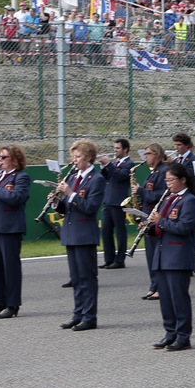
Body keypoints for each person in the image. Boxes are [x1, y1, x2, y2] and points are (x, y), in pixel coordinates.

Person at [149, 162, 195, 350]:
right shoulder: (169, 199)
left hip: (178, 257)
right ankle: (170, 333)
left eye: (171, 180)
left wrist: (160, 221)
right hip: (162, 255)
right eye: (166, 180)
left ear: (182, 180)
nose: (168, 183)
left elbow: (184, 227)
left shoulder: (189, 200)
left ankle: (183, 336)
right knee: (166, 300)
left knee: (179, 298)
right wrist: (149, 227)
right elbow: (162, 228)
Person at [0, 145, 32, 319]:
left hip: (9, 226)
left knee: (10, 266)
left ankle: (12, 304)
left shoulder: (21, 177)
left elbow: (16, 198)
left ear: (14, 159)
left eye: (3, 157)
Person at [56, 139, 103, 331]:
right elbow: (66, 207)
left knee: (87, 277)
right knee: (76, 278)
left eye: (78, 157)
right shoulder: (74, 177)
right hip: (71, 232)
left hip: (84, 233)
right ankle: (78, 313)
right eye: (73, 157)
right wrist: (56, 200)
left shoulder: (96, 179)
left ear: (89, 157)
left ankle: (89, 317)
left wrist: (70, 193)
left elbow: (91, 208)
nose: (74, 161)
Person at [136, 144, 169, 301]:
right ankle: (153, 286)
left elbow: (160, 196)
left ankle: (160, 287)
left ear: (157, 154)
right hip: (147, 217)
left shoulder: (163, 171)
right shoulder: (153, 172)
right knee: (150, 254)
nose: (145, 157)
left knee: (157, 254)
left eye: (148, 154)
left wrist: (140, 191)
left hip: (156, 218)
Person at [99, 138, 134, 269]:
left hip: (119, 201)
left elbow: (120, 177)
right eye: (114, 148)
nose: (115, 150)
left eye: (118, 148)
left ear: (125, 149)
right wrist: (103, 165)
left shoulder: (129, 163)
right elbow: (106, 177)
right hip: (108, 200)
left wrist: (109, 164)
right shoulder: (115, 163)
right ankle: (109, 259)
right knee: (105, 230)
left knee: (120, 232)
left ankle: (120, 260)